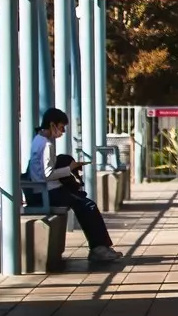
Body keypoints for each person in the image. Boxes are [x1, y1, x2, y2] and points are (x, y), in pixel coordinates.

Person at [30, 108, 122, 264]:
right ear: (52, 125)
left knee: (84, 203)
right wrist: (70, 169)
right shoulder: (47, 145)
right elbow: (47, 174)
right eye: (61, 127)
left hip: (42, 190)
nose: (63, 131)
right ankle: (99, 248)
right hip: (49, 191)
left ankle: (100, 247)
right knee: (88, 206)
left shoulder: (37, 139)